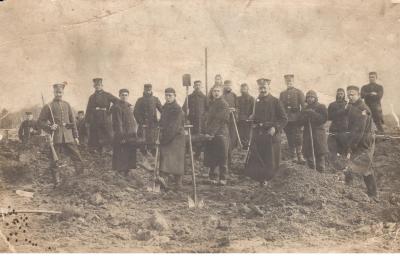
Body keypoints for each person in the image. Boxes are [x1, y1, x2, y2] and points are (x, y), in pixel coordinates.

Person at [38, 83, 84, 186]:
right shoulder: (48, 106)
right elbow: (40, 122)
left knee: (77, 156)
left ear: (63, 93)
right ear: (53, 92)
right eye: (57, 92)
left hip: (68, 136)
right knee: (54, 159)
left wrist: (76, 136)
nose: (59, 94)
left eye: (60, 92)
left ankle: (80, 177)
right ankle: (56, 181)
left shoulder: (67, 105)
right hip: (56, 137)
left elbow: (73, 122)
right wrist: (49, 127)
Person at [244, 78, 288, 186]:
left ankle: (270, 183)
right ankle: (262, 182)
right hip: (259, 135)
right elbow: (255, 116)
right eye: (260, 88)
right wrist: (251, 119)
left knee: (271, 161)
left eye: (264, 88)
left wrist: (275, 128)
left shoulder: (275, 101)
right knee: (259, 159)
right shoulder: (257, 101)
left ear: (269, 88)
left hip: (271, 136)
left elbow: (284, 119)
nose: (262, 90)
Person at [344, 85, 377, 198]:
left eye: (352, 94)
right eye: (348, 94)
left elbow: (359, 130)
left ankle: (349, 191)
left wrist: (351, 147)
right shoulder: (352, 106)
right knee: (364, 168)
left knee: (356, 166)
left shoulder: (363, 108)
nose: (350, 96)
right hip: (359, 140)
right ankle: (372, 193)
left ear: (358, 95)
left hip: (364, 142)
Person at [159, 88, 186, 190]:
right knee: (166, 157)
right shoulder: (165, 107)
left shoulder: (177, 109)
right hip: (169, 136)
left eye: (170, 95)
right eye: (166, 95)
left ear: (175, 96)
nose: (168, 97)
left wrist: (164, 139)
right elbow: (162, 121)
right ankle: (164, 179)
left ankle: (178, 183)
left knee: (176, 160)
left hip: (176, 137)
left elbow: (174, 127)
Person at [204, 85, 230, 186]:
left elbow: (218, 120)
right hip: (212, 133)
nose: (216, 93)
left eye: (218, 91)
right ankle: (213, 177)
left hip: (221, 133)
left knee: (223, 156)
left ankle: (223, 178)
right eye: (214, 91)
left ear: (222, 93)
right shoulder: (212, 103)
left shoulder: (223, 104)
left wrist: (211, 133)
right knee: (212, 155)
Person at [85, 78, 119, 154]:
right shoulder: (92, 97)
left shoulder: (107, 95)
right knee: (96, 133)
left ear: (102, 85)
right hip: (95, 117)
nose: (98, 86)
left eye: (99, 85)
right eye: (96, 85)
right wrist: (87, 120)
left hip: (105, 116)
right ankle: (97, 149)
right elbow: (88, 109)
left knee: (107, 132)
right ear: (94, 86)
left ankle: (109, 149)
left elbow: (117, 101)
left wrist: (110, 110)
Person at [298, 90, 328, 172]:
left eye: (312, 97)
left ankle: (321, 173)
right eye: (308, 97)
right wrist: (305, 117)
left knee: (320, 154)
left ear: (315, 98)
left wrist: (313, 114)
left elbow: (323, 119)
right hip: (308, 134)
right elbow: (299, 121)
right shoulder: (304, 109)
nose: (310, 99)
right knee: (309, 154)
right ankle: (312, 174)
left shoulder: (321, 107)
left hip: (318, 134)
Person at [279, 74, 306, 164]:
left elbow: (304, 106)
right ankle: (293, 156)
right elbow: (280, 107)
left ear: (293, 82)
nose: (289, 83)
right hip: (287, 119)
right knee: (289, 137)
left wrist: (302, 118)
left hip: (297, 119)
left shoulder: (298, 92)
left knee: (298, 137)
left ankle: (300, 155)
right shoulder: (282, 94)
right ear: (285, 82)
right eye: (287, 81)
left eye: (290, 81)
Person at [111, 89, 138, 176]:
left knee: (129, 152)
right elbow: (118, 123)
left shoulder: (128, 106)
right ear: (119, 95)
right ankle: (120, 172)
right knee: (121, 152)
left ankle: (127, 171)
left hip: (130, 134)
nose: (124, 96)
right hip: (122, 134)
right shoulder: (117, 107)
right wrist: (121, 137)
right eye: (122, 95)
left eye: (126, 95)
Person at [133, 84, 163, 157]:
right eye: (146, 90)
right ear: (144, 90)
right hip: (143, 123)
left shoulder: (155, 99)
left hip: (153, 123)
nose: (148, 91)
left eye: (149, 90)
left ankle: (153, 151)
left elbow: (162, 110)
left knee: (152, 138)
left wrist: (160, 121)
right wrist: (141, 122)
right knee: (143, 138)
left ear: (151, 90)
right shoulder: (140, 100)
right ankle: (143, 152)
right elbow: (135, 112)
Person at [182, 80, 208, 159]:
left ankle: (198, 153)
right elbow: (184, 109)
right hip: (191, 120)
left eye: (199, 85)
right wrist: (186, 118)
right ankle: (189, 151)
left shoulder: (204, 97)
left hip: (201, 121)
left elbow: (208, 109)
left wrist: (204, 118)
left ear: (201, 86)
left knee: (199, 136)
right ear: (193, 86)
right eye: (196, 85)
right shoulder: (189, 97)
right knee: (190, 136)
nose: (197, 86)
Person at [327, 88, 348, 157]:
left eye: (341, 94)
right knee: (333, 145)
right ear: (336, 94)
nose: (340, 95)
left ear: (344, 94)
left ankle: (343, 159)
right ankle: (333, 159)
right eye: (338, 94)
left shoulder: (348, 104)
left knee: (344, 145)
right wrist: (341, 111)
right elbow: (329, 117)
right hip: (334, 127)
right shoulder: (332, 105)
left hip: (344, 127)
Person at [223, 80, 239, 170]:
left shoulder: (234, 95)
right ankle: (225, 162)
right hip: (223, 121)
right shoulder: (221, 95)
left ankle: (229, 162)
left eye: (229, 85)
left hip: (232, 121)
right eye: (226, 85)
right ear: (224, 86)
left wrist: (234, 110)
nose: (228, 86)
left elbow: (238, 107)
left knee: (231, 141)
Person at [237, 83, 255, 149]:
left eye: (245, 89)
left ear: (247, 89)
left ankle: (247, 147)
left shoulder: (251, 99)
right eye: (242, 89)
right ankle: (241, 146)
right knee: (240, 133)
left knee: (247, 134)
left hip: (248, 119)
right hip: (240, 119)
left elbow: (254, 109)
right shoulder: (238, 98)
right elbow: (237, 107)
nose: (243, 90)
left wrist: (251, 116)